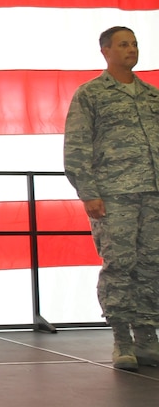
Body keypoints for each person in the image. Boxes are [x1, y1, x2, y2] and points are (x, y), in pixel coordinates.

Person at [64, 25, 159, 372]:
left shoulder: (152, 96)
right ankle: (122, 340)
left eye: (134, 44)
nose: (131, 49)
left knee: (153, 266)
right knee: (120, 265)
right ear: (106, 51)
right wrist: (88, 192)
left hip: (154, 194)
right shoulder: (91, 95)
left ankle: (148, 337)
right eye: (123, 44)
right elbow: (77, 146)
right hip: (114, 195)